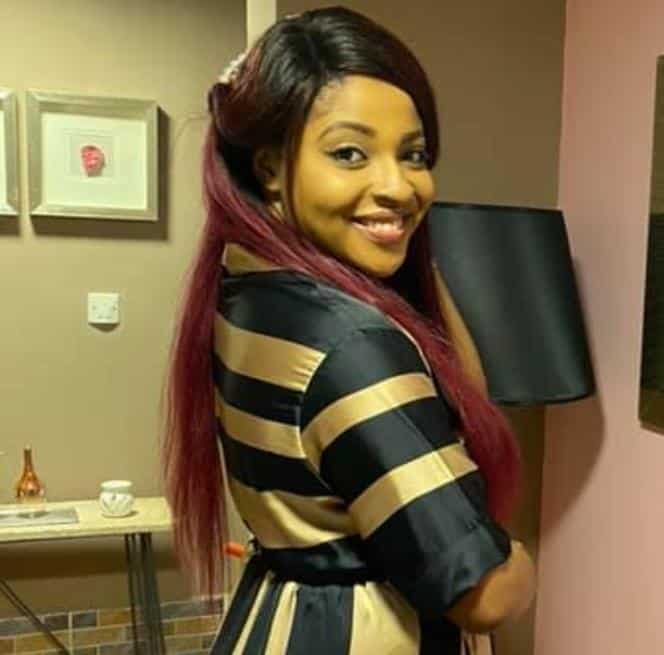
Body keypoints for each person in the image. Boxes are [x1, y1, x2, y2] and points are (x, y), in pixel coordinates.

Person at [163, 8, 535, 654]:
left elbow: (464, 392)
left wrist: (408, 253)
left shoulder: (250, 290)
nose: (397, 185)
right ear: (271, 167)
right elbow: (485, 594)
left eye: (413, 155)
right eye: (349, 154)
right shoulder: (355, 346)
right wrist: (522, 561)